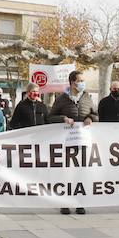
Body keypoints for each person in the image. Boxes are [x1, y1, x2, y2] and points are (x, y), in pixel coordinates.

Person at [49, 70, 96, 214]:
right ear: (72, 82)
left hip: (82, 143)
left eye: (83, 80)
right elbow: (50, 117)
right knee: (66, 173)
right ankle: (65, 203)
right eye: (79, 80)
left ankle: (79, 202)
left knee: (81, 173)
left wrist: (91, 118)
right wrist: (63, 118)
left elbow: (95, 114)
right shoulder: (62, 98)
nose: (82, 83)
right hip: (66, 143)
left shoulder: (87, 97)